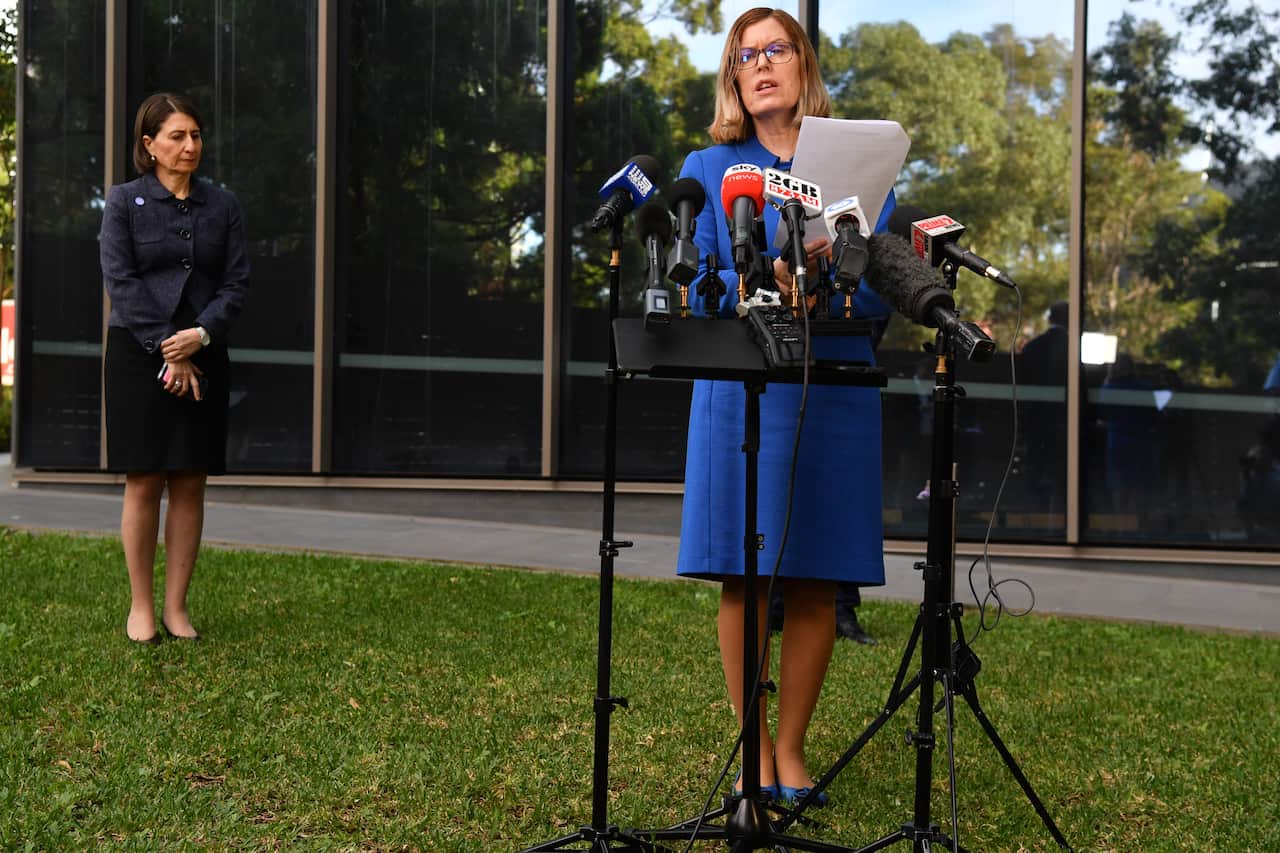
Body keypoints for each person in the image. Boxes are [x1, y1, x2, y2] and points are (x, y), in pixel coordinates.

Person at [675, 7, 897, 806]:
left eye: (777, 50)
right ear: (733, 77)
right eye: (746, 55)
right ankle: (751, 751)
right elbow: (699, 279)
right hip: (744, 379)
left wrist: (832, 276)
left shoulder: (855, 161)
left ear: (803, 64)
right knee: (748, 571)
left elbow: (878, 278)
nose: (761, 64)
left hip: (834, 375)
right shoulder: (707, 163)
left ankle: (792, 751)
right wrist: (762, 280)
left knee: (816, 570)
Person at [100, 92, 250, 644]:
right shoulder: (122, 202)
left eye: (196, 135)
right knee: (144, 479)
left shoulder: (223, 205)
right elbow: (122, 281)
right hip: (139, 355)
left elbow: (236, 284)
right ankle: (140, 607)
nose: (191, 146)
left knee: (190, 480)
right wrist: (169, 346)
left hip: (205, 350)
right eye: (177, 136)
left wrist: (200, 336)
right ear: (149, 145)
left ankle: (176, 608)